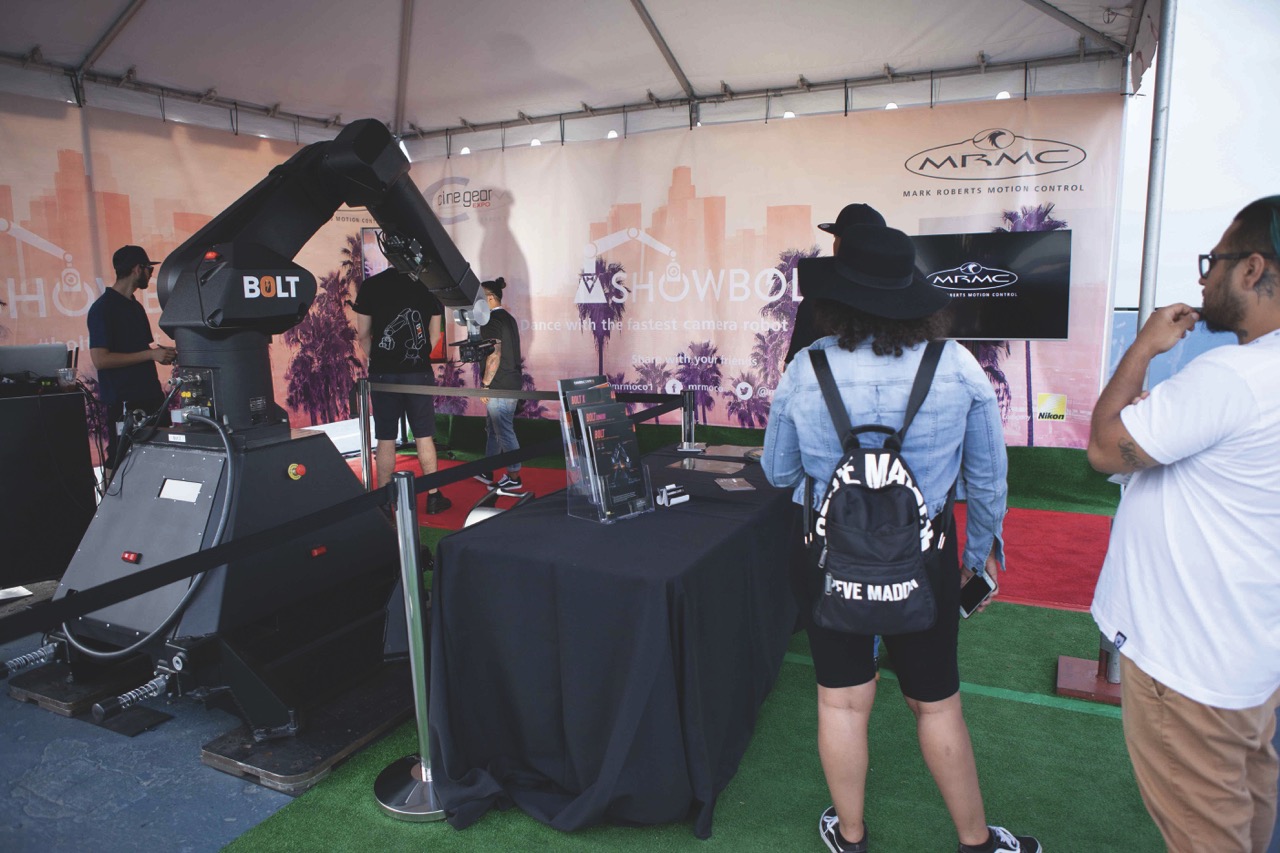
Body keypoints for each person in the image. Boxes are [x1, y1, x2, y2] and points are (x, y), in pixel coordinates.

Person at [763, 224, 1039, 853]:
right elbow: (988, 483)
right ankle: (976, 841)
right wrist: (976, 561)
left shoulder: (808, 369)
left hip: (828, 558)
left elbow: (778, 473)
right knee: (938, 704)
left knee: (841, 703)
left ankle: (851, 836)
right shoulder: (958, 365)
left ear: (837, 300)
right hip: (928, 560)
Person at [1087, 197, 1280, 853]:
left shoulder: (1232, 377)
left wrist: (1143, 345)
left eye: (1214, 262)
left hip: (1188, 664)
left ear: (1252, 269)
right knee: (1246, 817)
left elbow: (1105, 447)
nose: (1203, 279)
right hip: (1247, 655)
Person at [353, 267, 451, 514]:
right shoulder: (429, 284)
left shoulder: (371, 285)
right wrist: (417, 357)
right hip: (418, 372)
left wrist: (378, 358)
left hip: (383, 374)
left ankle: (386, 500)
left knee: (385, 437)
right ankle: (433, 496)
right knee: (424, 435)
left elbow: (363, 334)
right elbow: (434, 335)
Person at [87, 245, 176, 485]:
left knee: (160, 458)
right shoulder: (103, 309)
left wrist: (161, 354)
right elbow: (101, 359)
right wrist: (150, 355)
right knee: (121, 462)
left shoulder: (135, 307)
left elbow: (141, 350)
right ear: (137, 269)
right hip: (125, 401)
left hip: (150, 397)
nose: (150, 274)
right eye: (148, 269)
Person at [785, 203, 887, 365]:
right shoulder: (908, 303)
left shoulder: (818, 305)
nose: (835, 244)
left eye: (837, 238)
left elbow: (794, 372)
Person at [473, 277, 524, 495]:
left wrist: (485, 385)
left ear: (491, 298)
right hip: (507, 382)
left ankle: (514, 477)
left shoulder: (492, 321)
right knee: (494, 428)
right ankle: (488, 469)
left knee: (503, 429)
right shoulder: (508, 318)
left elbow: (494, 354)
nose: (477, 302)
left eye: (480, 297)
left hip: (500, 384)